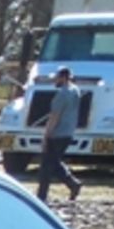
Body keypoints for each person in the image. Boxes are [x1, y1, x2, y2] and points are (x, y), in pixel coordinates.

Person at [39, 67, 82, 203]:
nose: (54, 80)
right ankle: (73, 184)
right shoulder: (76, 90)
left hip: (57, 133)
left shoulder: (62, 94)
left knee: (46, 165)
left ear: (63, 78)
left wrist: (46, 135)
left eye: (56, 77)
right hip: (68, 132)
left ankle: (42, 196)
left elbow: (54, 117)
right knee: (54, 162)